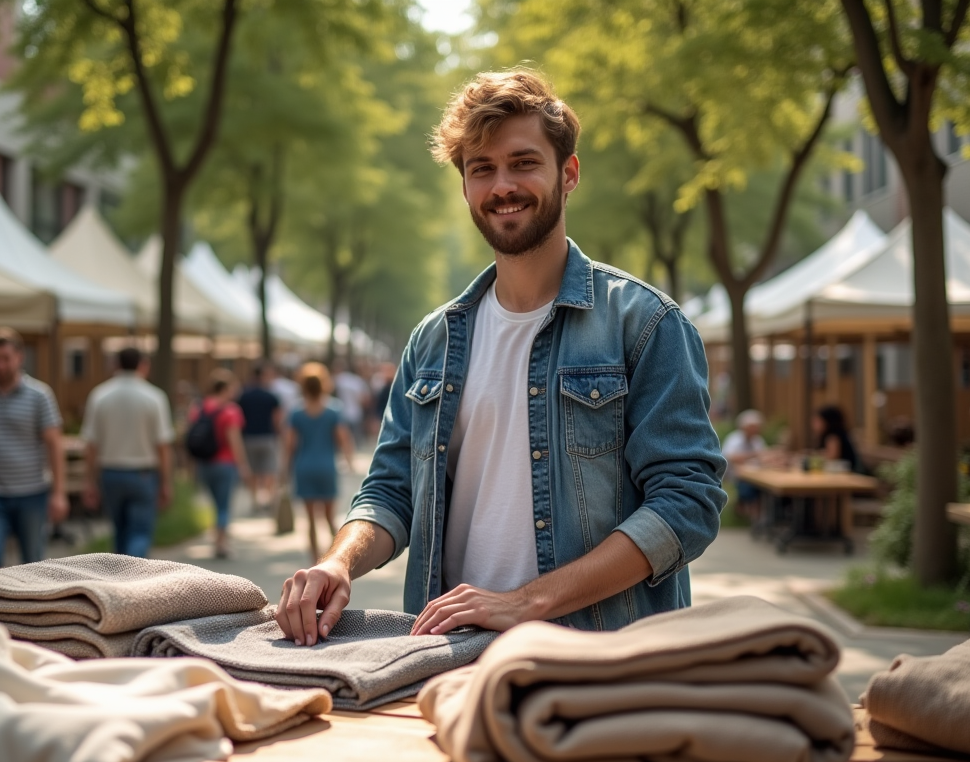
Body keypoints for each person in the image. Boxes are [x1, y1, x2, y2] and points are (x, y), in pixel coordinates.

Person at [275, 70, 725, 647]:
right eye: (481, 169)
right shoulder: (432, 340)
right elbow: (391, 492)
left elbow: (688, 503)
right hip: (446, 654)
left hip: (604, 660)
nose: (501, 185)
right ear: (464, 186)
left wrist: (526, 603)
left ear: (569, 174)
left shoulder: (645, 324)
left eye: (523, 162)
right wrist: (339, 563)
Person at [0, 327, 67, 568]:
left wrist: (58, 493)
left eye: (6, 359)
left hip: (31, 492)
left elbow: (54, 444)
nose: (0, 365)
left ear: (20, 357)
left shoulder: (39, 395)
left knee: (32, 563)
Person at [80, 347, 174, 558]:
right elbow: (163, 445)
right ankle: (134, 578)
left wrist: (89, 481)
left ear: (116, 364)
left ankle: (119, 578)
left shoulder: (100, 395)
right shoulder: (154, 397)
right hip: (143, 473)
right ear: (143, 365)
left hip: (110, 472)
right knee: (139, 532)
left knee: (119, 531)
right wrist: (166, 482)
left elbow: (91, 444)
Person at [281, 363, 356, 564]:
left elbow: (290, 445)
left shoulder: (296, 412)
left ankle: (315, 560)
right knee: (330, 517)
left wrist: (284, 469)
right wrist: (350, 461)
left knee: (311, 520)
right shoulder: (333, 409)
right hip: (326, 467)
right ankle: (336, 558)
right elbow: (343, 438)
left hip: (304, 467)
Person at [190, 370, 252, 558]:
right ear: (225, 388)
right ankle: (221, 543)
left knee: (215, 504)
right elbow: (234, 441)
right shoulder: (230, 410)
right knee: (224, 505)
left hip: (204, 464)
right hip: (225, 464)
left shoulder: (199, 407)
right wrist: (243, 465)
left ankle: (217, 536)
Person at [236, 362, 283, 510]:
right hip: (267, 437)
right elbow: (277, 418)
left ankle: (255, 500)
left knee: (253, 471)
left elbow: (239, 417)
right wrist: (278, 433)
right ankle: (268, 500)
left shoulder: (243, 395)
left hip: (248, 437)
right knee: (269, 470)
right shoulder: (270, 396)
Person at [722, 410, 767, 518]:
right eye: (753, 426)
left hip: (755, 475)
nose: (756, 429)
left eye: (757, 426)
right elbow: (731, 457)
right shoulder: (734, 439)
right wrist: (755, 455)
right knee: (749, 488)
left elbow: (764, 456)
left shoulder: (757, 440)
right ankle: (747, 515)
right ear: (744, 427)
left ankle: (758, 518)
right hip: (735, 476)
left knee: (764, 488)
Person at [812, 405, 861, 472]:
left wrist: (815, 455)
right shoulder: (833, 435)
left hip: (849, 474)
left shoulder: (834, 437)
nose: (814, 425)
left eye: (817, 421)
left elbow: (832, 456)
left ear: (827, 422)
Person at [332, 359, 369, 445]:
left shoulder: (340, 379)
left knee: (344, 437)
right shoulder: (359, 381)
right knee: (355, 438)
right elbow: (364, 400)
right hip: (356, 413)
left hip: (342, 412)